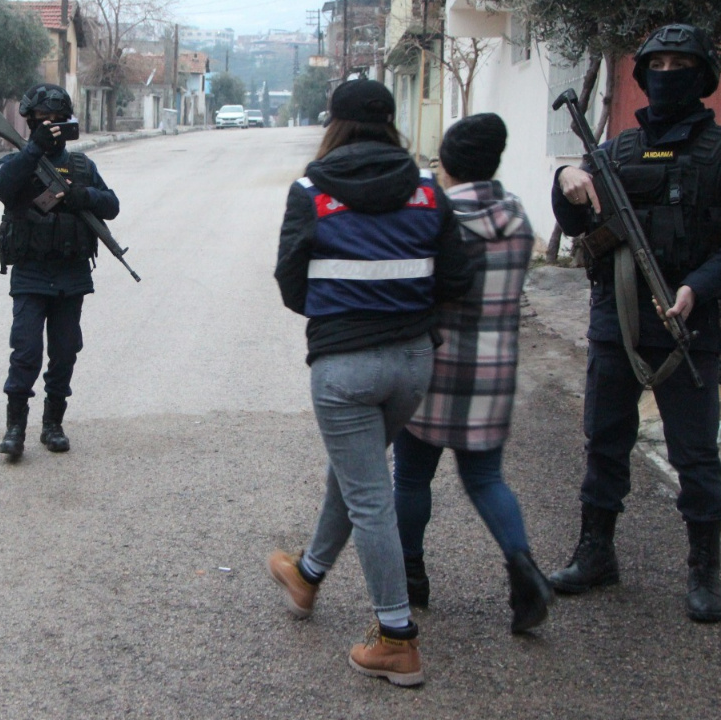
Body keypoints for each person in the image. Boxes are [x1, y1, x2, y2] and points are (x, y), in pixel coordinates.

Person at [550, 24, 721, 623]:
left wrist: (698, 287)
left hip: (689, 323)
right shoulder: (617, 151)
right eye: (658, 62)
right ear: (643, 74)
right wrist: (566, 184)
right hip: (616, 318)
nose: (668, 72)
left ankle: (704, 570)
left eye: (681, 63)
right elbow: (578, 225)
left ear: (701, 77)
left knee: (695, 454)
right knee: (605, 440)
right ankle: (595, 553)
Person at [268, 79, 472, 687]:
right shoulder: (430, 192)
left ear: (335, 124)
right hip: (412, 362)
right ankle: (306, 574)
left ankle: (396, 639)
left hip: (344, 368)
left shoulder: (312, 192)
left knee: (368, 493)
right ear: (392, 124)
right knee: (355, 476)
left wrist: (339, 313)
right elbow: (456, 278)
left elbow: (289, 281)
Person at [391, 113, 554, 634]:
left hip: (436, 365)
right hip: (495, 367)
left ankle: (411, 573)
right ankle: (522, 564)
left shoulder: (438, 216)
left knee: (412, 476)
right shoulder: (518, 216)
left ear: (449, 162)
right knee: (485, 477)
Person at [0, 84, 120, 458]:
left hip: (71, 275)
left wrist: (84, 196)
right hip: (30, 274)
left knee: (64, 352)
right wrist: (34, 150)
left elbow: (112, 205)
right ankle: (15, 428)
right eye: (42, 121)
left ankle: (53, 424)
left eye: (58, 121)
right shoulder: (18, 161)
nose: (51, 127)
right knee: (26, 351)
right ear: (29, 123)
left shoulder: (81, 166)